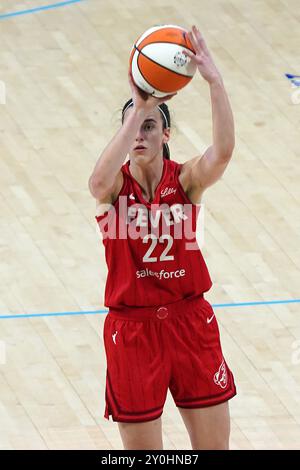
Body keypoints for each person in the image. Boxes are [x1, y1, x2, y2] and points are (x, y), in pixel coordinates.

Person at [89, 25, 236, 450]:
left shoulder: (186, 181)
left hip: (190, 322)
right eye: (133, 126)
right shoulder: (113, 188)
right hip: (132, 331)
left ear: (165, 135)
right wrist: (139, 106)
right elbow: (96, 181)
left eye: (150, 126)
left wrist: (214, 81)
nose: (139, 134)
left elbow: (223, 152)